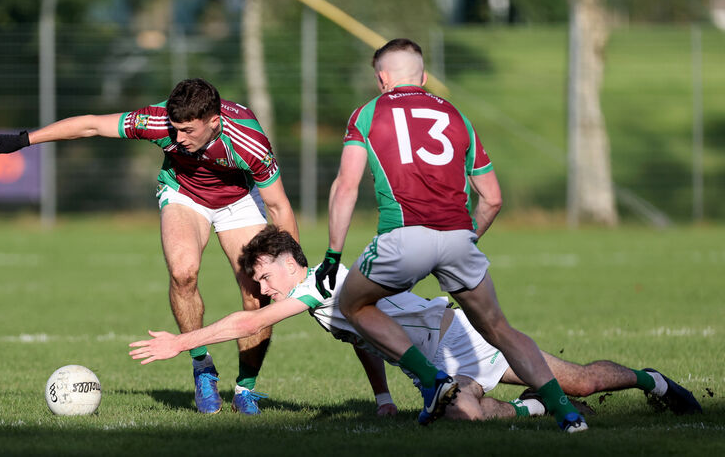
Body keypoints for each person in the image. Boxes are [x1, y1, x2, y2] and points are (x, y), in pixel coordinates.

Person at [127, 226, 703, 421]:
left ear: (284, 260)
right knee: (465, 416)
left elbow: (240, 323)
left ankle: (650, 380)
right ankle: (527, 408)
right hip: (438, 362)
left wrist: (183, 341)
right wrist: (381, 396)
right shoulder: (325, 297)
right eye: (256, 283)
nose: (259, 288)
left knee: (577, 382)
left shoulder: (318, 284)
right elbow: (364, 340)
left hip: (460, 339)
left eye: (260, 276)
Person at [0, 78, 299, 415]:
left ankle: (245, 389)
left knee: (255, 293)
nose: (179, 138)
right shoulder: (156, 121)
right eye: (175, 129)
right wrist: (26, 139)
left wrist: (292, 266)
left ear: (214, 121)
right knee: (183, 272)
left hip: (239, 201)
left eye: (188, 130)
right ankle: (202, 367)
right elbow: (91, 125)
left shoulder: (248, 141)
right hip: (184, 195)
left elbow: (279, 207)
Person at [313, 38, 586, 430]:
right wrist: (466, 238)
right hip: (458, 236)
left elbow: (345, 186)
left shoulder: (368, 112)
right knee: (500, 328)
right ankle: (568, 414)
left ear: (382, 78)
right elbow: (492, 198)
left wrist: (333, 254)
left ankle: (432, 380)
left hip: (403, 238)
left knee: (354, 305)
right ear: (423, 76)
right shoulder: (456, 116)